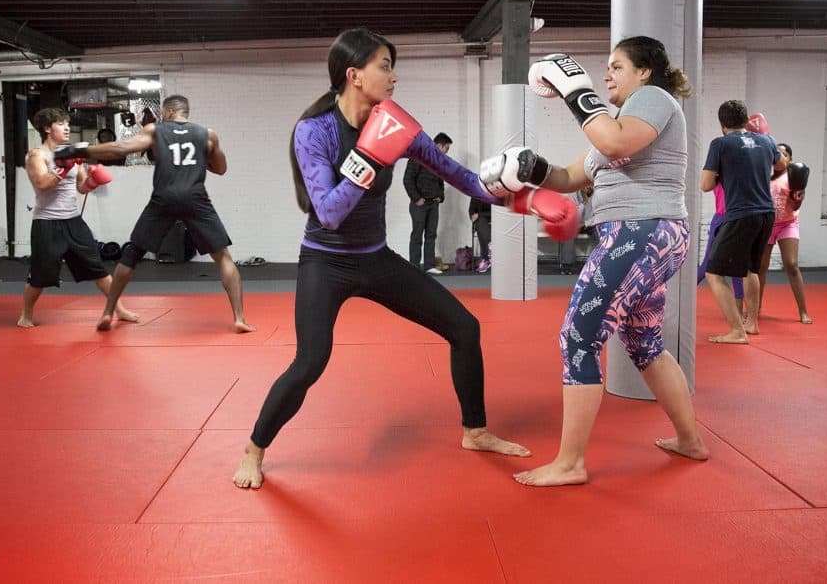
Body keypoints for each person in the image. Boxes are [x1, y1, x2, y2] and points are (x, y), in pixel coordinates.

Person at [231, 28, 579, 490]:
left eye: (392, 67)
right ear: (353, 75)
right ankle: (254, 449)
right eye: (384, 66)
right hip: (325, 262)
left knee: (465, 328)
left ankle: (475, 430)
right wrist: (371, 154)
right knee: (311, 361)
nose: (394, 77)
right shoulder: (314, 132)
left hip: (375, 259)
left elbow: (468, 180)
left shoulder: (399, 125)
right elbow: (330, 213)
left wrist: (529, 200)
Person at [483, 37, 710, 487]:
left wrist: (573, 90)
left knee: (577, 337)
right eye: (605, 68)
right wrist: (527, 168)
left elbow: (612, 137)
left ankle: (570, 463)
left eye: (617, 66)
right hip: (647, 236)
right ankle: (690, 440)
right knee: (644, 342)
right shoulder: (616, 124)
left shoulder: (653, 100)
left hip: (640, 232)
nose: (606, 75)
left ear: (644, 72)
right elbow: (569, 178)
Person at [53, 95, 256, 334]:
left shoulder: (156, 130)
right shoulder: (207, 134)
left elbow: (121, 148)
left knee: (131, 255)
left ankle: (108, 312)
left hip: (164, 198)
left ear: (168, 112)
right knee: (223, 257)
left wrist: (80, 150)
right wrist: (204, 159)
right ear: (186, 112)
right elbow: (221, 169)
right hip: (195, 198)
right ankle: (240, 318)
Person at [18, 108, 138, 328]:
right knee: (40, 275)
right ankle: (26, 314)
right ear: (47, 129)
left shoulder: (71, 153)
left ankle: (118, 310)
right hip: (46, 223)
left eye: (67, 123)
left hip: (73, 221)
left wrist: (93, 181)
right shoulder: (37, 155)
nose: (66, 127)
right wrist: (64, 169)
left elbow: (81, 188)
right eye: (60, 124)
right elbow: (42, 184)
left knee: (97, 269)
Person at [701, 100, 784, 343]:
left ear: (721, 123)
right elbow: (781, 164)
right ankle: (752, 323)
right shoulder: (766, 140)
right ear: (746, 120)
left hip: (741, 214)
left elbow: (705, 185)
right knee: (750, 269)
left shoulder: (720, 144)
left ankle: (737, 331)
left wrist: (723, 172)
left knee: (714, 274)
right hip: (767, 213)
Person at [758, 143, 812, 323]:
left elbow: (796, 205)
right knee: (760, 268)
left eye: (784, 153)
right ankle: (755, 310)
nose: (780, 156)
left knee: (791, 264)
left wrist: (798, 196)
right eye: (777, 153)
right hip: (767, 224)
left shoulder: (792, 176)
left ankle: (803, 311)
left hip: (788, 224)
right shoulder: (764, 174)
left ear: (790, 160)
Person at [404, 132, 452, 274]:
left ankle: (429, 266)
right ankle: (414, 267)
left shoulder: (438, 162)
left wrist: (440, 196)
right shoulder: (418, 158)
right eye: (446, 148)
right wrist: (416, 198)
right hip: (419, 204)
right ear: (439, 145)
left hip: (433, 204)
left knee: (431, 235)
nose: (447, 152)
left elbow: (440, 181)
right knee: (417, 235)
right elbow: (407, 180)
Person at [696, 182, 745, 316]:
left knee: (737, 268)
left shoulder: (735, 174)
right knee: (707, 266)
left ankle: (739, 311)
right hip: (724, 219)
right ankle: (681, 301)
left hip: (733, 219)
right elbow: (705, 185)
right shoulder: (719, 175)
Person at [468, 196, 492, 273]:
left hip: (496, 217)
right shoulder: (476, 193)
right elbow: (471, 211)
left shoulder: (497, 192)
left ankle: (487, 257)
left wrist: (480, 214)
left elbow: (499, 210)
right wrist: (473, 216)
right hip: (482, 220)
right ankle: (486, 258)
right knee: (481, 223)